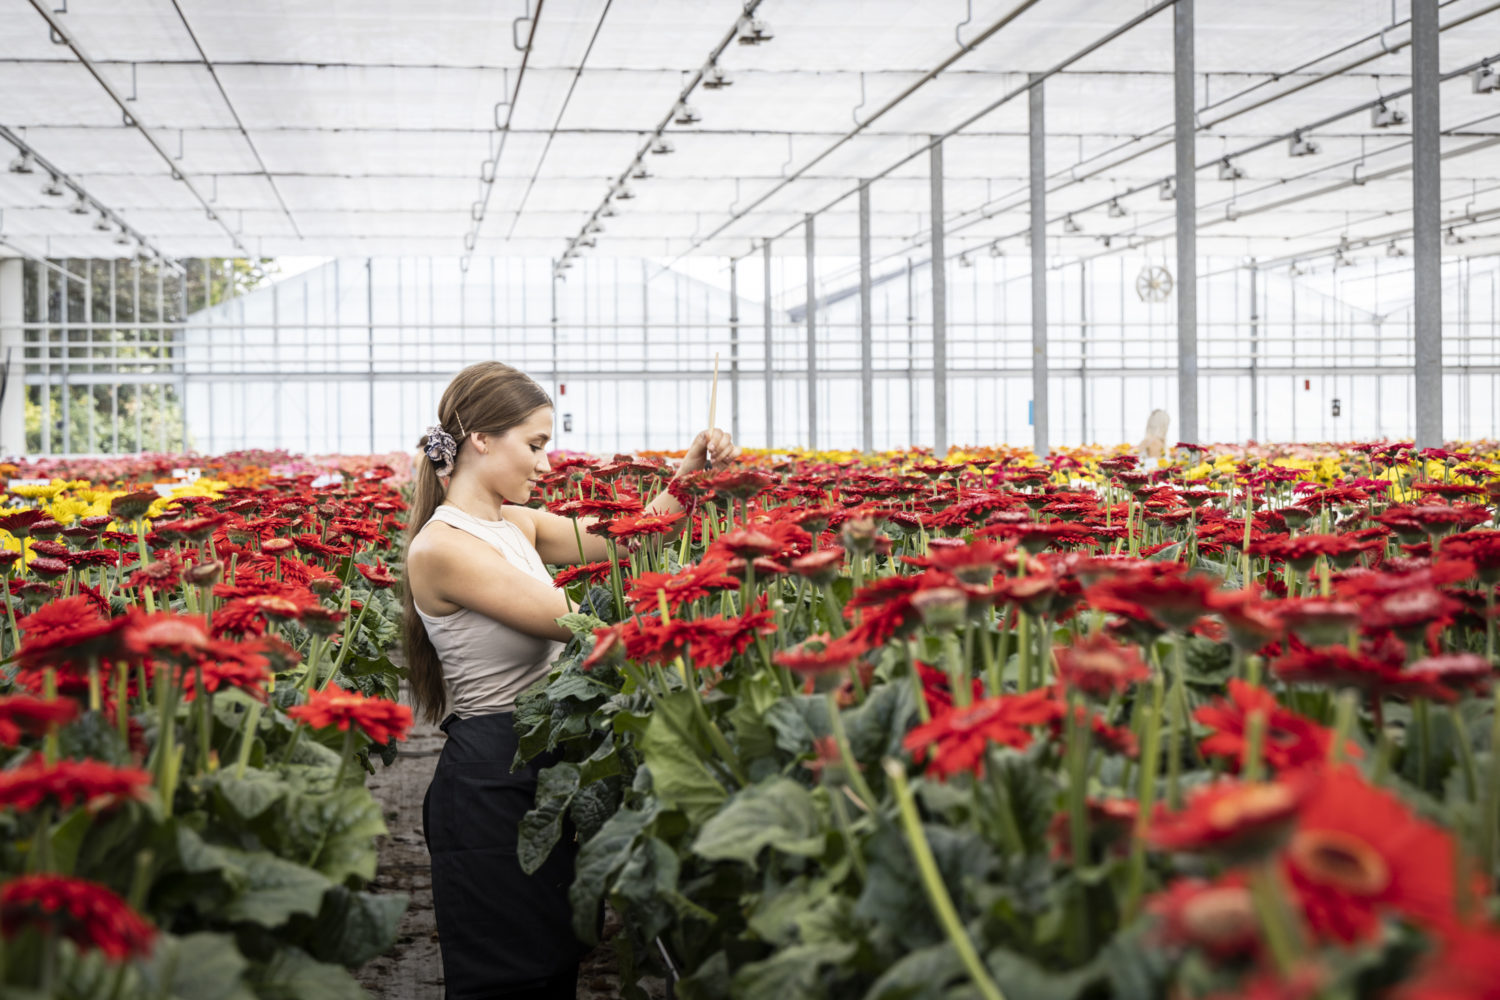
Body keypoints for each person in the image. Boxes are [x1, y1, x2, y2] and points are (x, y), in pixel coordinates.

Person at [400, 361, 739, 999]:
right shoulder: (442, 547)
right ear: (480, 439)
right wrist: (702, 617)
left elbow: (627, 539)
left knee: (551, 964)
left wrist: (691, 470)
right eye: (534, 445)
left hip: (540, 763)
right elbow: (578, 626)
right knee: (511, 979)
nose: (545, 464)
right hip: (492, 778)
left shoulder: (515, 524)